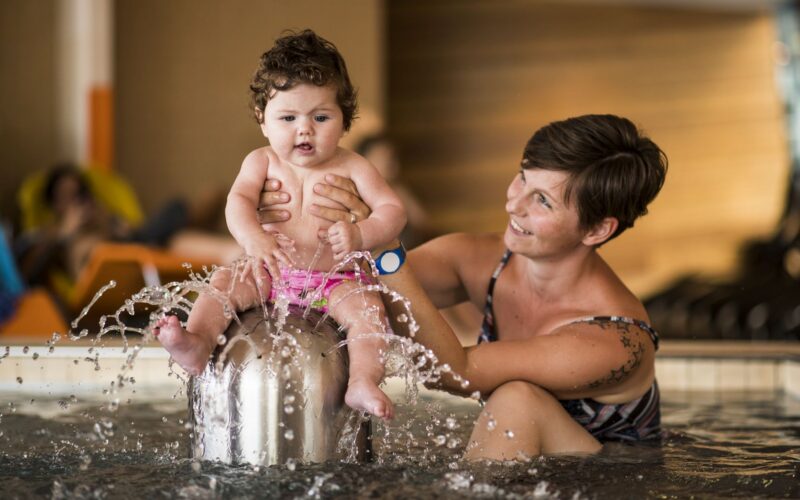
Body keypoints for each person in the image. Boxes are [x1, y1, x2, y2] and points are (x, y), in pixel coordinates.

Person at [257, 114, 668, 460]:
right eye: (523, 178)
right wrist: (297, 215)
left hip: (607, 483)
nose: (514, 203)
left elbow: (455, 373)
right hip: (521, 473)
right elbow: (360, 283)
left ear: (597, 229)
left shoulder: (616, 339)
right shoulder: (482, 258)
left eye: (542, 200)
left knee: (517, 401)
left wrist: (383, 245)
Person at [154, 30, 406, 420]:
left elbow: (393, 210)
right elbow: (236, 202)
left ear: (345, 120)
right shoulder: (261, 161)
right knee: (223, 284)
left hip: (334, 281)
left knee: (368, 311)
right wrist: (254, 239)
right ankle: (198, 341)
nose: (304, 129)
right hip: (270, 271)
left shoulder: (354, 166)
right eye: (288, 118)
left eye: (321, 117)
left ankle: (362, 381)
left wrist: (361, 233)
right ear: (263, 121)